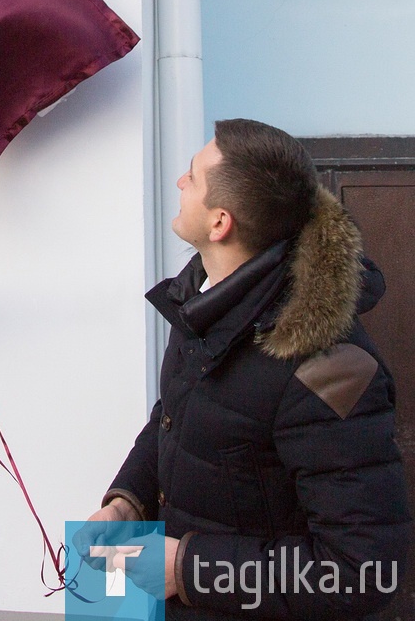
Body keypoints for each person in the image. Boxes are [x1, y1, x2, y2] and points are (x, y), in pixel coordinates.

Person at [85, 119, 409, 618]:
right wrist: (130, 500)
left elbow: (363, 570)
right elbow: (173, 417)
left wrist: (189, 569)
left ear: (220, 223)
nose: (179, 182)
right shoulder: (203, 297)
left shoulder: (327, 369)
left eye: (192, 177)